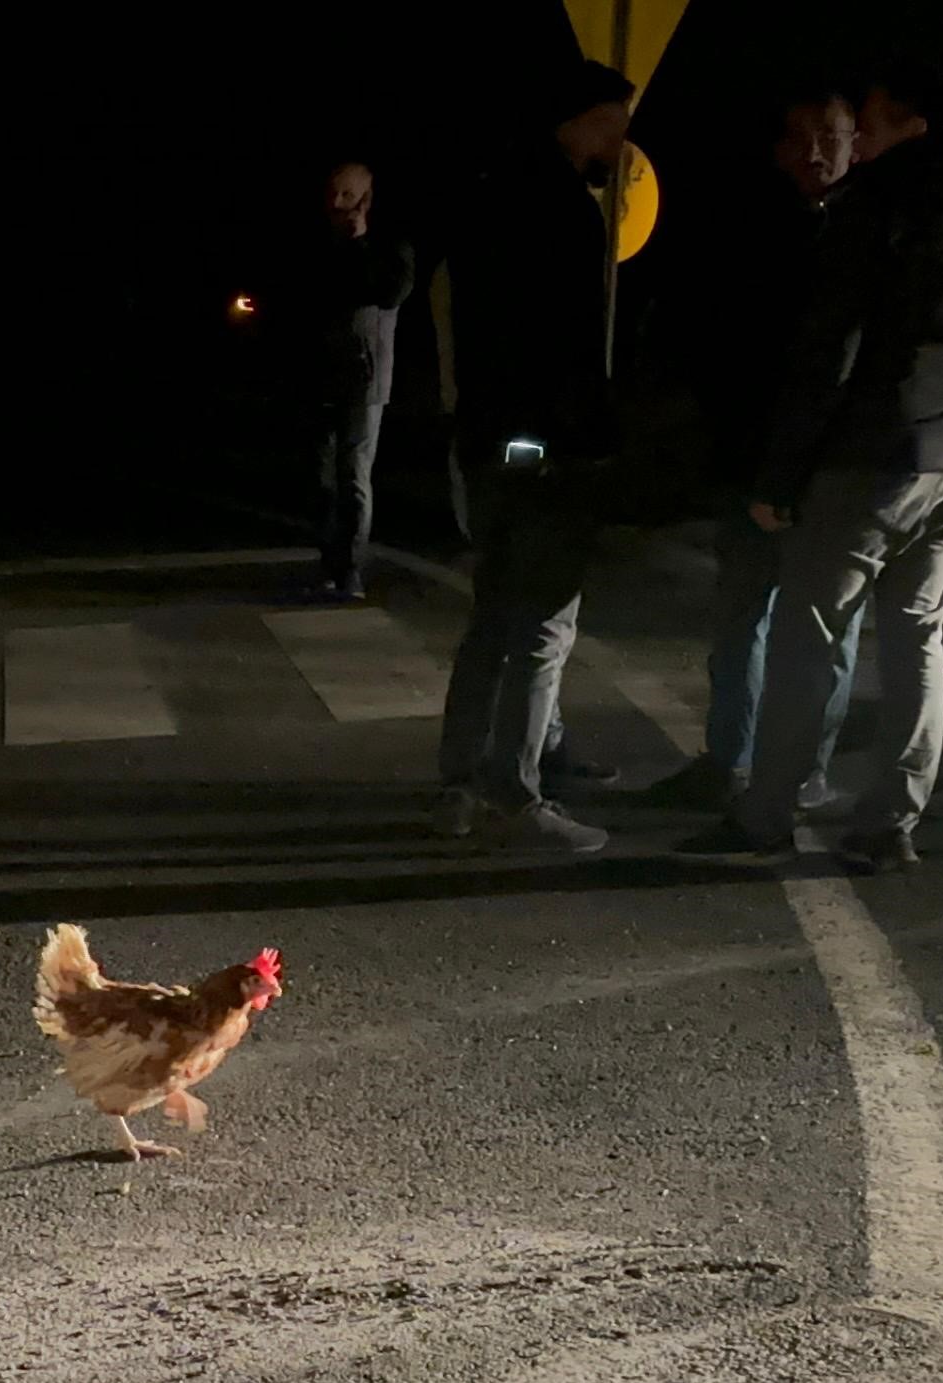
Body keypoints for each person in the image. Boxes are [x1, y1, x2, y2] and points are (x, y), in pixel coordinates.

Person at [680, 62, 943, 874]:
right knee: (917, 641)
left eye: (874, 119)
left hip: (868, 456)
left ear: (911, 122)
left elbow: (830, 351)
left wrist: (779, 479)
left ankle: (767, 814)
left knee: (807, 640)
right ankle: (891, 820)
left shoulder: (877, 207)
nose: (864, 134)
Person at [431, 60, 640, 855]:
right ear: (577, 120)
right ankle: (515, 796)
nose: (621, 140)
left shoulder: (483, 192)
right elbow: (573, 350)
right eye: (612, 121)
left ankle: (456, 786)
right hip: (548, 451)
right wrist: (592, 442)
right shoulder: (566, 211)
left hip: (488, 440)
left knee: (491, 617)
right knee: (542, 626)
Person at [646, 85, 861, 813]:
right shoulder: (751, 232)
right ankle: (728, 760)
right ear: (777, 150)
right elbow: (719, 347)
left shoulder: (874, 232)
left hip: (835, 471)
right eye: (801, 136)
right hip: (753, 463)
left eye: (830, 134)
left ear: (856, 141)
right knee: (740, 624)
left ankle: (806, 771)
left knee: (824, 634)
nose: (815, 150)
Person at [297, 161, 414, 604]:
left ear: (366, 199)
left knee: (353, 475)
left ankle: (350, 570)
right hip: (322, 375)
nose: (335, 203)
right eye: (331, 194)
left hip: (365, 379)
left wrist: (359, 242)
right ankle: (328, 565)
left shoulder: (389, 246)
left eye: (346, 195)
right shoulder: (318, 245)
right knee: (322, 476)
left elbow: (389, 291)